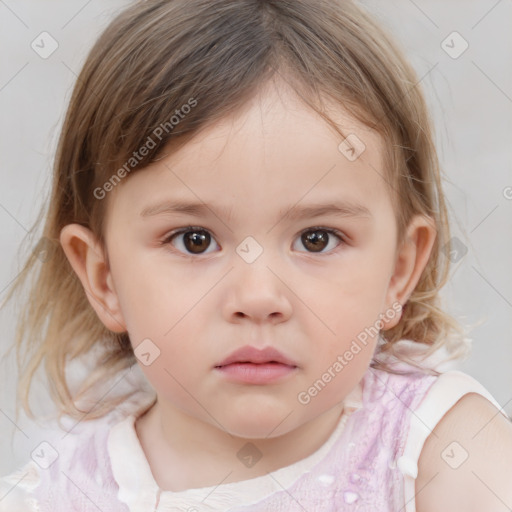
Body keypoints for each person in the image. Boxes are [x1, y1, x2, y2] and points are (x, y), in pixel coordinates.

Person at [1, 0, 511, 510]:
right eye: (194, 240)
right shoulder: (58, 493)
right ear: (104, 277)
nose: (259, 297)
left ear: (399, 271)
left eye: (317, 239)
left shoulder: (443, 452)